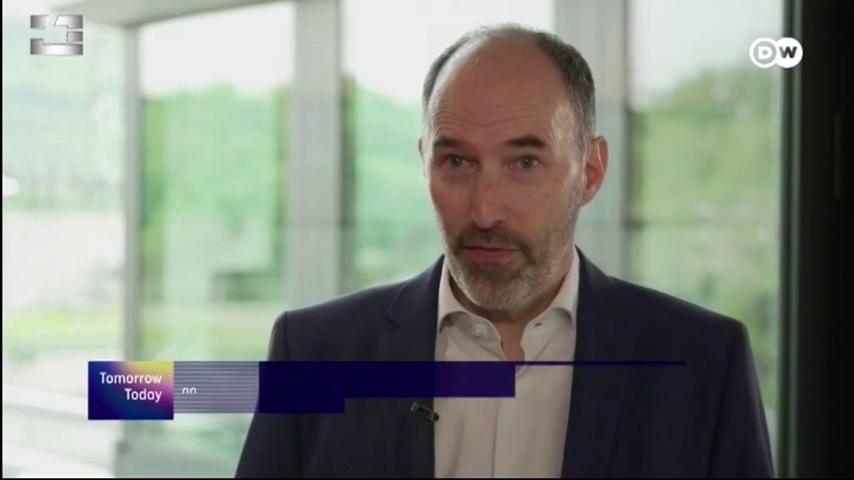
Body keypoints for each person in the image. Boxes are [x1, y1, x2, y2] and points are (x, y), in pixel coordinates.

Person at [236, 24, 774, 478]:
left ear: (590, 173)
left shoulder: (703, 363)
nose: (485, 211)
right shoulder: (312, 353)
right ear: (424, 163)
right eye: (456, 162)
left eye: (524, 163)